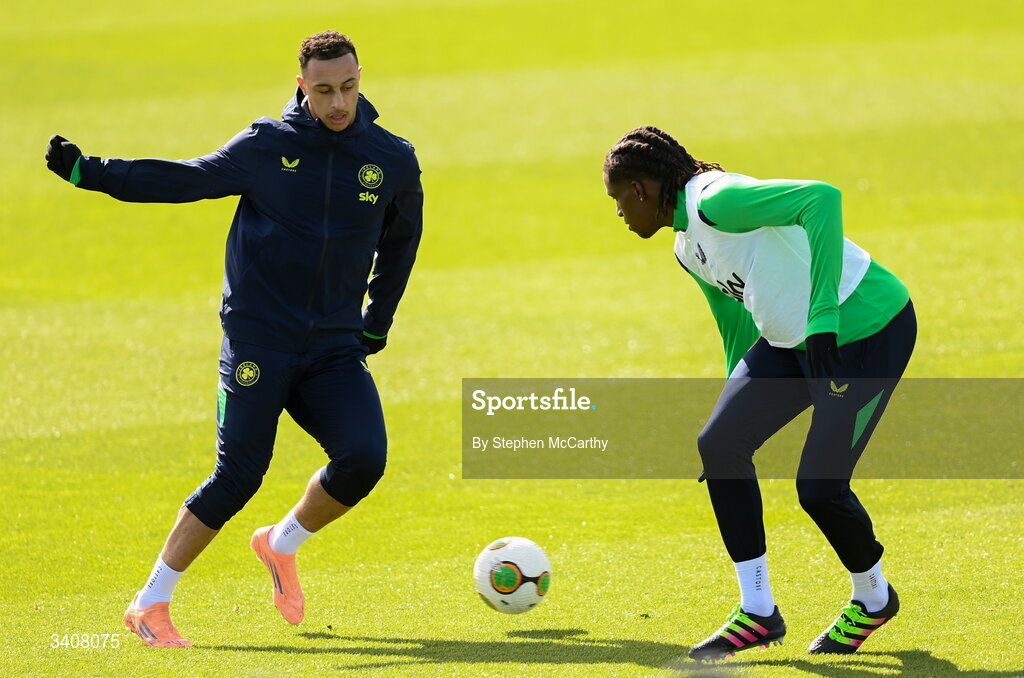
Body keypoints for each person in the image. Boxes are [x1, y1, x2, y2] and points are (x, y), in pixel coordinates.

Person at [45, 31, 423, 648]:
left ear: (361, 79)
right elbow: (185, 179)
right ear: (301, 87)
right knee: (239, 474)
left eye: (348, 87)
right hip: (259, 342)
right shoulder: (266, 146)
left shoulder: (392, 159)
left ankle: (280, 544)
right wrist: (93, 173)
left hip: (331, 347)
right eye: (323, 90)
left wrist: (376, 320)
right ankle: (150, 602)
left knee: (365, 458)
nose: (337, 103)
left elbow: (402, 242)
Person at [603, 126, 915, 662]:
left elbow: (822, 198)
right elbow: (734, 323)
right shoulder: (685, 247)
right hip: (789, 342)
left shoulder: (716, 201)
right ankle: (758, 612)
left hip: (865, 332)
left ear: (640, 190)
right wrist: (734, 412)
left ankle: (873, 597)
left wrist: (822, 314)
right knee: (720, 445)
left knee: (819, 488)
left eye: (617, 201)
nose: (619, 215)